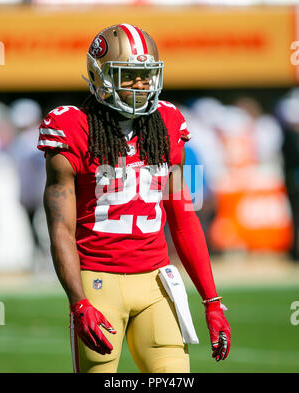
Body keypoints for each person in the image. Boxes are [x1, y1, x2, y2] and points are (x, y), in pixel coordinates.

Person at [37, 23, 231, 373]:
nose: (142, 85)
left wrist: (212, 300)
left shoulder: (169, 123)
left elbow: (184, 216)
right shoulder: (71, 128)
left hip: (157, 282)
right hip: (98, 283)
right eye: (129, 76)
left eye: (147, 75)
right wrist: (79, 302)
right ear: (101, 77)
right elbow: (61, 230)